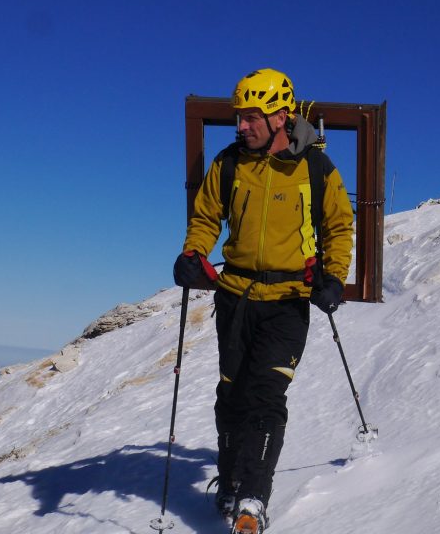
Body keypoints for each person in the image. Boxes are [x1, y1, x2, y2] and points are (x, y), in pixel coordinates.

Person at [173, 68, 354, 534]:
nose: (242, 126)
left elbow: (338, 226)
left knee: (266, 394)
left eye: (252, 117)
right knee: (230, 394)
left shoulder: (315, 167)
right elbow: (207, 216)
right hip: (235, 297)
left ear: (281, 117)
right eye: (240, 117)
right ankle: (231, 483)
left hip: (289, 300)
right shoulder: (229, 163)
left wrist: (333, 278)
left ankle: (254, 498)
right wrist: (194, 254)